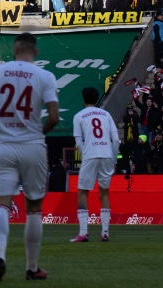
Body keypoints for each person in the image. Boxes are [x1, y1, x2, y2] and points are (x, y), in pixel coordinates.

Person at [0, 32, 60, 282]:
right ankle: (32, 268)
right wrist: (36, 134)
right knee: (33, 209)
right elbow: (53, 117)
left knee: (1, 205)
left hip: (3, 145)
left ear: (14, 50)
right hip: (32, 146)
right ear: (36, 52)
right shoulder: (45, 76)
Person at [70, 86, 120, 243]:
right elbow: (117, 140)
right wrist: (113, 158)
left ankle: (83, 232)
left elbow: (78, 143)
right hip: (106, 154)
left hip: (90, 155)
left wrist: (86, 155)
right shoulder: (106, 114)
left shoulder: (79, 116)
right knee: (104, 193)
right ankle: (105, 232)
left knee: (82, 192)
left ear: (84, 99)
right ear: (97, 98)